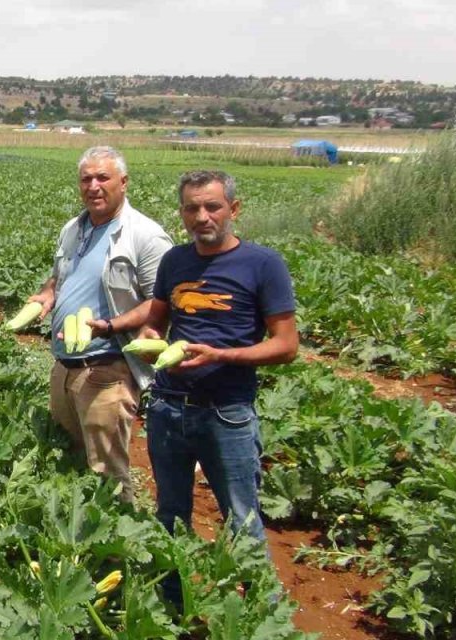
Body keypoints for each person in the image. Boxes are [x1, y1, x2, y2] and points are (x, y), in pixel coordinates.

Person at [139, 170, 298, 605]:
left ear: (234, 209)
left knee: (242, 519)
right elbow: (156, 320)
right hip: (168, 406)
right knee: (170, 514)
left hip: (227, 411)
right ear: (183, 213)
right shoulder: (174, 261)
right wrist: (152, 338)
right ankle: (172, 606)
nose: (202, 216)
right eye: (192, 208)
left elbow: (286, 346)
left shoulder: (263, 264)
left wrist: (221, 355)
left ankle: (262, 619)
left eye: (212, 206)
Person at [23, 146, 172, 503]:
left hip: (108, 367)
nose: (93, 186)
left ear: (123, 182)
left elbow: (161, 301)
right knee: (68, 457)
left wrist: (111, 325)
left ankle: (116, 543)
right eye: (86, 178)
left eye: (102, 177)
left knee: (107, 472)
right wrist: (47, 294)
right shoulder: (74, 228)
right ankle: (76, 541)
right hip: (65, 365)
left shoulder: (145, 236)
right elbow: (60, 277)